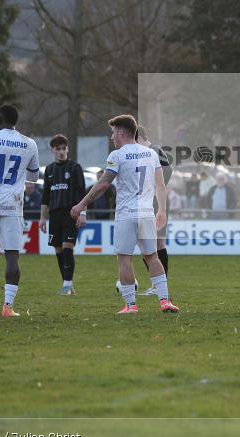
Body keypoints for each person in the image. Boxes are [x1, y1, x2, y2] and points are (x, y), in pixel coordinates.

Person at [70, 115, 179, 314]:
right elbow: (160, 185)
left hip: (126, 214)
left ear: (121, 132)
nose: (112, 137)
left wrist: (81, 204)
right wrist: (161, 210)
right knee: (152, 256)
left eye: (113, 132)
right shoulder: (151, 154)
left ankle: (130, 305)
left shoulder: (117, 156)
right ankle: (165, 301)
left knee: (124, 259)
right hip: (147, 213)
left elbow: (103, 184)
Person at [0, 104, 40, 318]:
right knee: (12, 257)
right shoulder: (29, 143)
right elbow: (34, 176)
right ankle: (8, 307)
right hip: (14, 205)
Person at [40, 134, 86, 295]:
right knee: (58, 250)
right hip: (54, 215)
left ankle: (67, 284)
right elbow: (45, 195)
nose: (61, 151)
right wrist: (42, 218)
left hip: (71, 214)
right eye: (58, 149)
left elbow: (82, 193)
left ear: (68, 149)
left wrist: (83, 213)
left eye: (63, 148)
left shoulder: (75, 168)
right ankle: (67, 284)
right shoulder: (49, 170)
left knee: (67, 248)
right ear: (53, 150)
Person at [135, 125, 172, 290]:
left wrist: (157, 187)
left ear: (139, 138)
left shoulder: (154, 150)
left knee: (157, 244)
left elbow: (168, 170)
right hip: (147, 202)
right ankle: (157, 284)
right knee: (147, 244)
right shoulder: (143, 154)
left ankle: (160, 284)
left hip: (157, 202)